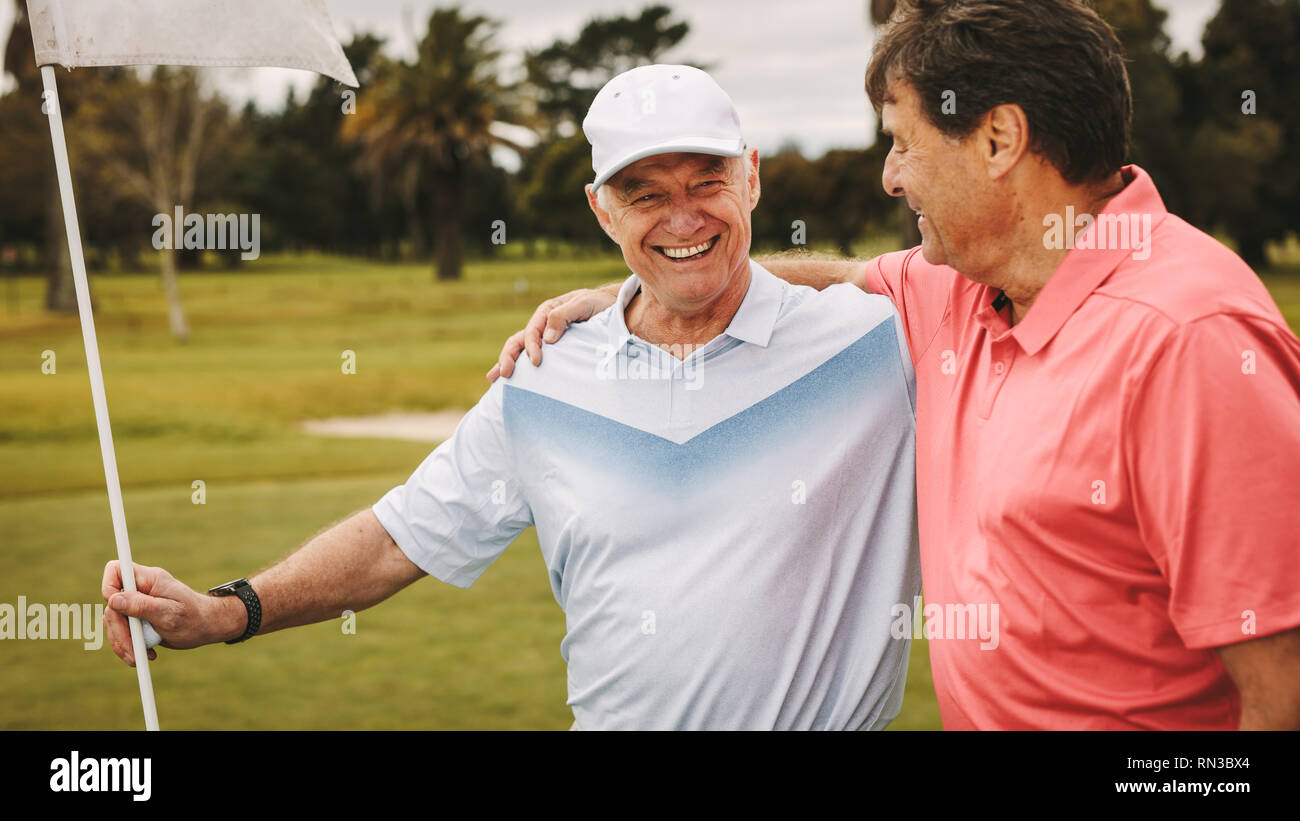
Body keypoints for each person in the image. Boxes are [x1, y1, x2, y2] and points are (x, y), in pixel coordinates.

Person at [488, 0, 1300, 729]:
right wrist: (629, 289)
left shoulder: (1191, 338)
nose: (888, 176)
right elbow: (838, 273)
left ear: (997, 139)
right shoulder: (958, 287)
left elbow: (1282, 688)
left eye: (903, 145)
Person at [102, 64, 921, 730]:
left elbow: (975, 263)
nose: (683, 216)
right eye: (645, 194)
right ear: (603, 210)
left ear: (752, 180)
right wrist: (226, 610)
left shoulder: (876, 341)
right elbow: (397, 540)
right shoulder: (545, 374)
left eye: (707, 180)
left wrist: (632, 286)